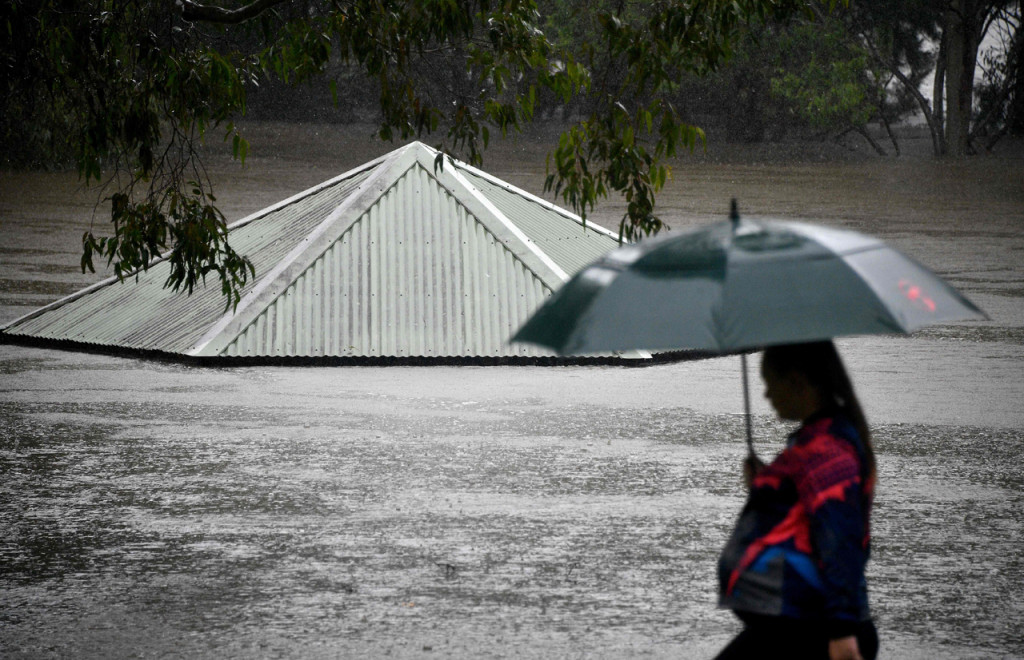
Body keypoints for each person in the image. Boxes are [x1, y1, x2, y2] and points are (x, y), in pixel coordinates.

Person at [714, 341, 879, 660]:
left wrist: (842, 632)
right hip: (796, 623)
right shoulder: (819, 438)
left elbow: (840, 538)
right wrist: (765, 485)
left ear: (797, 381)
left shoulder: (826, 450)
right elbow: (803, 514)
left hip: (819, 632)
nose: (767, 395)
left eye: (770, 383)